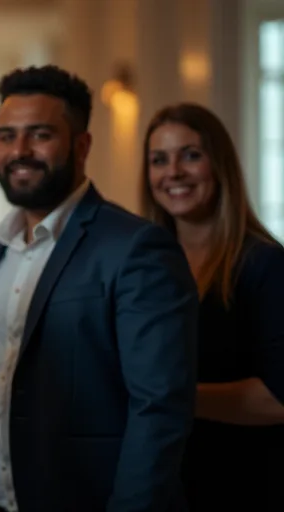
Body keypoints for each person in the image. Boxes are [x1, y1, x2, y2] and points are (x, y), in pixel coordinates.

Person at [0, 65, 199, 511]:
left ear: (82, 144)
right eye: (7, 136)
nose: (19, 151)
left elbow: (159, 407)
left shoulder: (137, 248)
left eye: (40, 135)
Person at [141, 103, 284, 511]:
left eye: (190, 155)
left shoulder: (265, 265)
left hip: (245, 483)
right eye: (159, 160)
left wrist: (170, 399)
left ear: (219, 165)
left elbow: (279, 400)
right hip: (164, 481)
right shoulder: (143, 266)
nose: (173, 172)